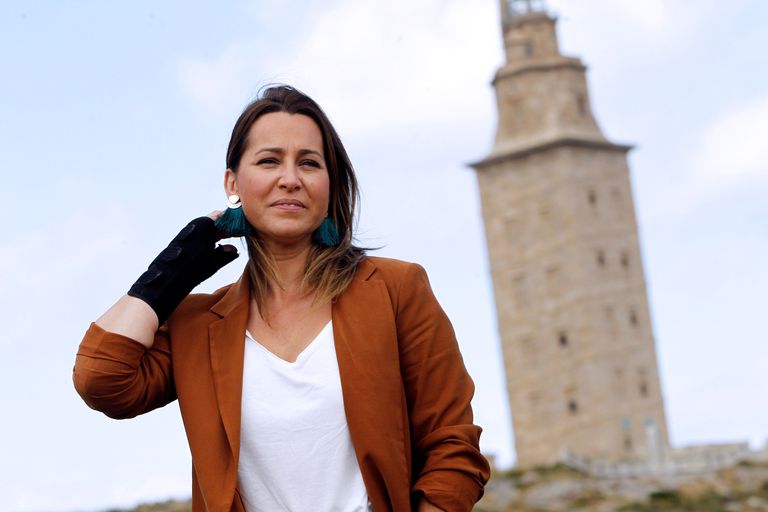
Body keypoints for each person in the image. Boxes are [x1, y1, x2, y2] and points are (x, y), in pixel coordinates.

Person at [73, 85, 490, 512]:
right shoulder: (196, 324)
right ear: (232, 183)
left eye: (308, 163)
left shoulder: (396, 289)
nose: (290, 178)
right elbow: (102, 382)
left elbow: (452, 444)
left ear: (329, 187)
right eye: (269, 160)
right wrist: (168, 274)